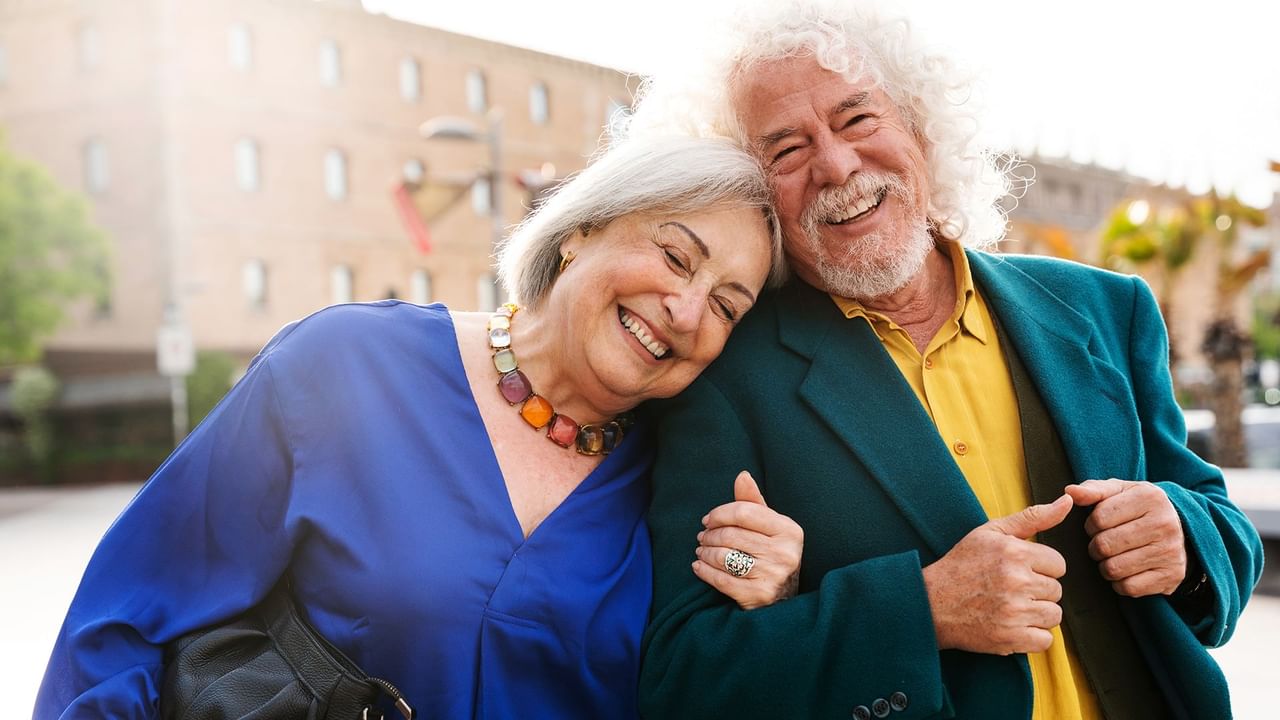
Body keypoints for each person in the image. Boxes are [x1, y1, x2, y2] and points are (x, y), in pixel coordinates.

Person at [628, 3, 1264, 719]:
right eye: (786, 150)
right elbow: (685, 677)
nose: (836, 164)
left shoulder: (1105, 308)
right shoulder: (723, 380)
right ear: (753, 195)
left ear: (922, 130)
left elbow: (1225, 532)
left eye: (858, 119)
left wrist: (1185, 535)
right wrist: (922, 610)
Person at [33, 135, 804, 720]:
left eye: (727, 305)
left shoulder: (681, 479)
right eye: (675, 255)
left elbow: (700, 682)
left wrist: (772, 601)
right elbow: (125, 615)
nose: (687, 309)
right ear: (582, 229)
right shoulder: (345, 365)